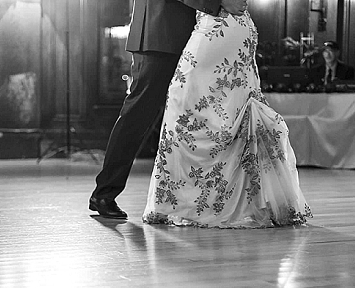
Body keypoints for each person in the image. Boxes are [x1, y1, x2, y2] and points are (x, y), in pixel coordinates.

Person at [142, 9, 312, 228]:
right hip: (232, 27)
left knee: (187, 102)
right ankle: (185, 203)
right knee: (196, 103)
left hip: (220, 27)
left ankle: (179, 204)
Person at [89, 0, 246, 219]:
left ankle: (194, 197)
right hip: (160, 34)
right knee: (139, 114)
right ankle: (104, 193)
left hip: (192, 36)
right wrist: (219, 2)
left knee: (192, 114)